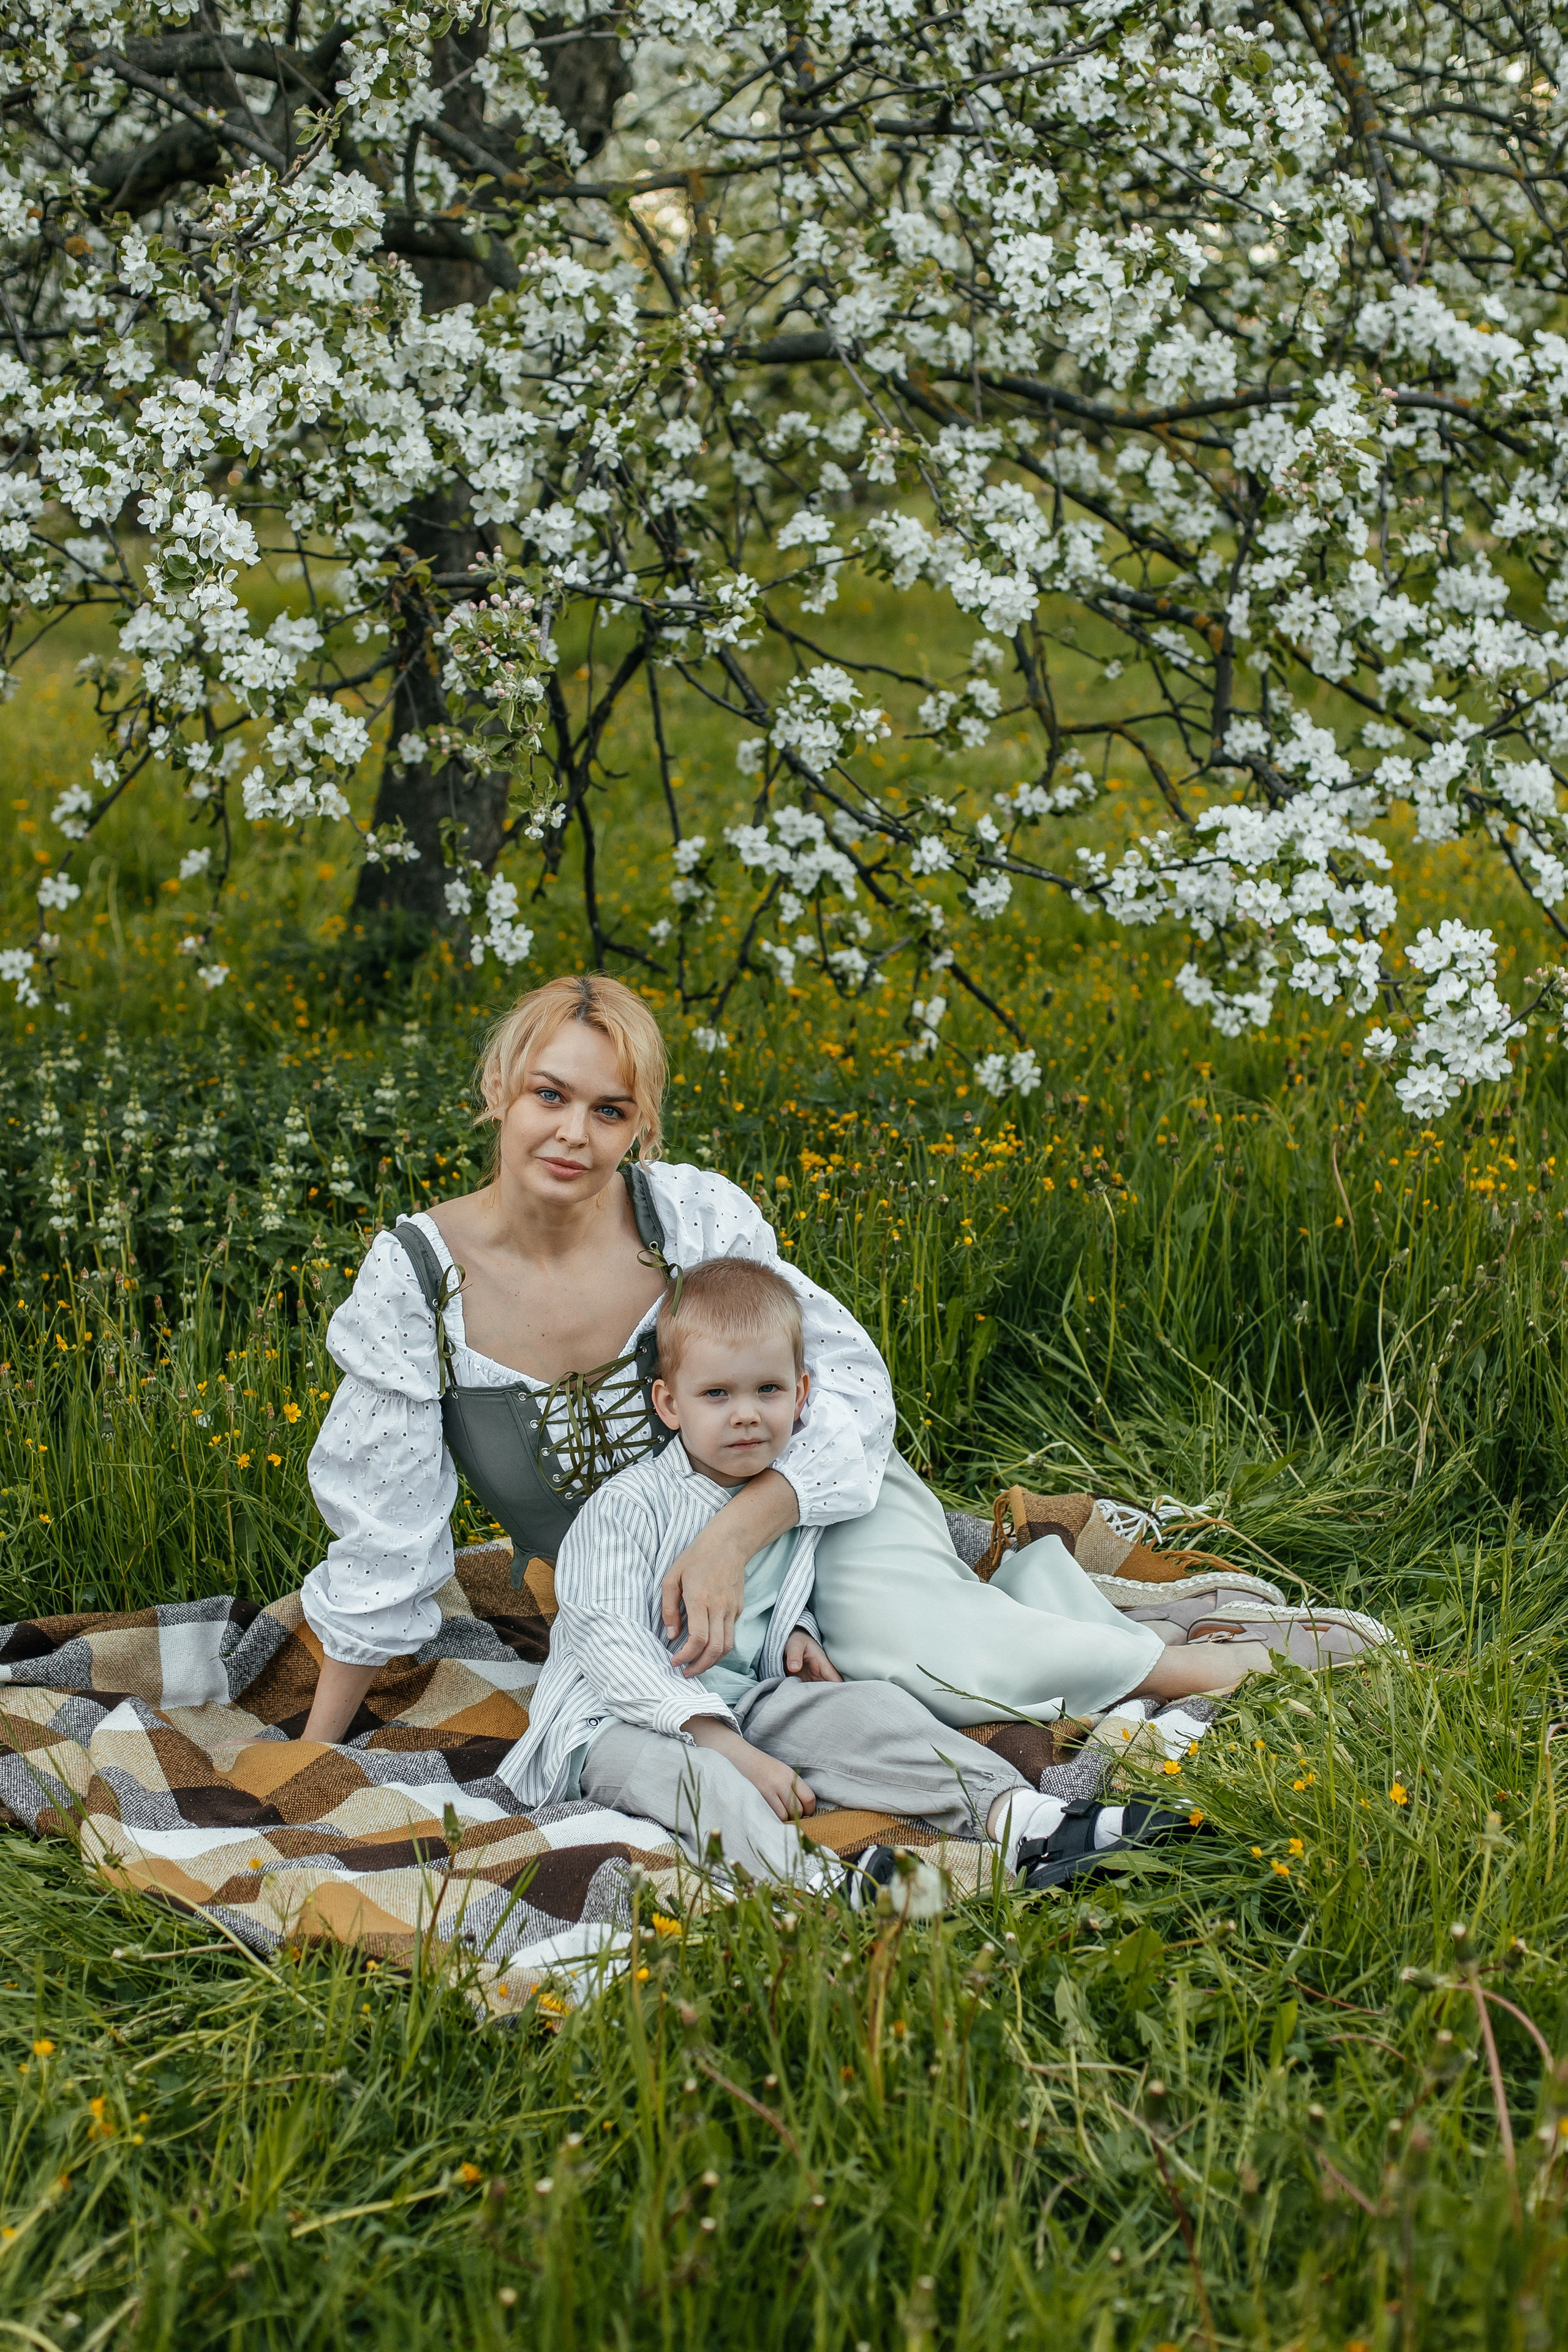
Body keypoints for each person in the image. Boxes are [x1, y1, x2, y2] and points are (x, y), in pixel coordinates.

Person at [298, 971, 1275, 1752]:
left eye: (610, 1111)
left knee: (922, 1665)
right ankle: (1038, 1616)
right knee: (769, 1721)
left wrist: (737, 1534)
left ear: (639, 1125)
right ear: (498, 1090)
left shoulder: (686, 1221)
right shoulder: (416, 1282)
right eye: (549, 1095)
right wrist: (317, 1744)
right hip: (641, 1574)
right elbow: (386, 1533)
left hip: (807, 1497)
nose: (572, 1134)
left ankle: (1191, 1670)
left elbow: (844, 1390)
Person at [510, 1256, 1156, 1891]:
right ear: (669, 1403)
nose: (745, 1414)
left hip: (751, 1698)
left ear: (802, 1395)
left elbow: (778, 1587)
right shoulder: (630, 1505)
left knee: (870, 1710)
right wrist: (722, 1746)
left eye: (767, 1390)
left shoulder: (792, 1494)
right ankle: (817, 1884)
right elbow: (607, 1639)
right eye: (716, 1394)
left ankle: (1031, 1822)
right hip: (611, 1722)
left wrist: (795, 1631)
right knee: (702, 1782)